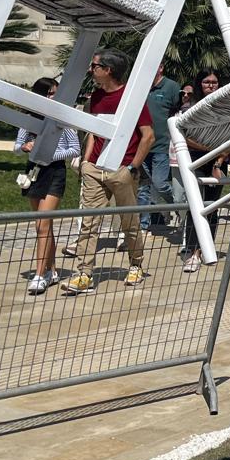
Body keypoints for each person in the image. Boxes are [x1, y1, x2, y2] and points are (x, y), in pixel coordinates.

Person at [62, 49, 155, 295]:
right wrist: (85, 161)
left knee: (129, 222)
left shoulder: (131, 99)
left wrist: (132, 167)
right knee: (89, 223)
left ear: (108, 70)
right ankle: (84, 273)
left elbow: (148, 137)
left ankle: (136, 264)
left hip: (122, 170)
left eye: (95, 66)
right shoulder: (95, 97)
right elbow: (93, 131)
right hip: (94, 168)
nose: (91, 70)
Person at [14, 77, 80, 295]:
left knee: (43, 224)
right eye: (51, 93)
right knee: (42, 226)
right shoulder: (30, 119)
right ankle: (50, 270)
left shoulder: (63, 118)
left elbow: (74, 149)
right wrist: (25, 146)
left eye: (56, 93)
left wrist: (52, 155)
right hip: (34, 171)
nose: (54, 97)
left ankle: (40, 274)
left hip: (54, 172)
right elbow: (16, 146)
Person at [180, 70, 226, 272]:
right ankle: (192, 251)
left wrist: (218, 161)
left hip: (218, 161)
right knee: (196, 206)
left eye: (214, 82)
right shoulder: (190, 108)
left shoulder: (225, 108)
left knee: (212, 206)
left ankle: (205, 249)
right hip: (196, 160)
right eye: (207, 82)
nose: (211, 85)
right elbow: (183, 136)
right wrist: (209, 150)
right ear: (199, 84)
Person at [139, 63, 183, 232]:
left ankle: (181, 207)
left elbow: (178, 112)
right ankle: (143, 224)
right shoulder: (140, 86)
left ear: (162, 67)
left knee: (159, 184)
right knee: (143, 188)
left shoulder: (171, 87)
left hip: (161, 146)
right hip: (141, 146)